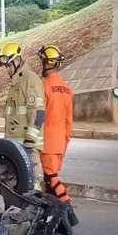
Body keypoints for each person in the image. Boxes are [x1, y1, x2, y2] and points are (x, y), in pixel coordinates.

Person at [0, 42, 45, 191]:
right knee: (19, 189)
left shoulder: (30, 79)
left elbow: (38, 113)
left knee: (33, 188)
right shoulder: (16, 82)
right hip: (16, 147)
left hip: (27, 147)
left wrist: (30, 143)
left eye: (8, 66)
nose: (7, 70)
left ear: (17, 61)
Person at [37, 45, 73, 203]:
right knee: (51, 181)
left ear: (45, 63)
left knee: (51, 179)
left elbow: (39, 116)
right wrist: (65, 141)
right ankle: (55, 218)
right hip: (60, 143)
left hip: (46, 143)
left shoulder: (43, 86)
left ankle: (67, 209)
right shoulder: (66, 88)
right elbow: (69, 120)